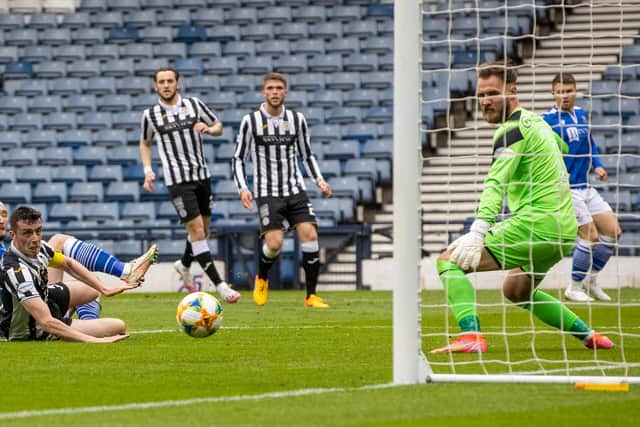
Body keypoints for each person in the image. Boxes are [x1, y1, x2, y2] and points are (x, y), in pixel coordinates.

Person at [431, 61, 614, 354]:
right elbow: (564, 148)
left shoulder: (511, 129)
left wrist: (478, 232)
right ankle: (589, 335)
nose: (485, 101)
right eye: (480, 95)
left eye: (492, 93)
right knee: (516, 291)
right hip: (564, 230)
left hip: (536, 224)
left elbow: (495, 183)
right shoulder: (537, 122)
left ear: (512, 91)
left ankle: (471, 336)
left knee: (448, 261)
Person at [139, 67, 240, 303]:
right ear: (156, 86)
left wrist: (209, 130)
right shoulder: (150, 115)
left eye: (170, 81)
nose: (166, 85)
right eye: (161, 81)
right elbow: (145, 143)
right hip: (177, 181)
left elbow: (218, 126)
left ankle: (184, 264)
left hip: (201, 175)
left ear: (177, 83)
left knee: (202, 232)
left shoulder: (194, 105)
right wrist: (148, 170)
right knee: (196, 231)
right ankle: (221, 285)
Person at [232, 72, 333, 308]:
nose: (274, 92)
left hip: (295, 189)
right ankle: (262, 277)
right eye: (270, 88)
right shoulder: (251, 121)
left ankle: (311, 295)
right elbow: (238, 158)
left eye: (279, 88)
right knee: (275, 243)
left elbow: (306, 154)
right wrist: (243, 188)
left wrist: (318, 179)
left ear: (285, 92)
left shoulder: (297, 119)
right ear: (263, 92)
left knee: (310, 235)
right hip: (268, 191)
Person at [0, 201, 157, 320]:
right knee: (61, 244)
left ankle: (87, 319)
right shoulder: (11, 256)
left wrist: (103, 287)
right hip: (19, 315)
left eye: (4, 214)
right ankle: (124, 271)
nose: (1, 220)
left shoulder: (11, 248)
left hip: (31, 302)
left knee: (90, 282)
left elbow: (68, 264)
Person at [542, 72, 621, 302]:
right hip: (567, 189)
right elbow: (543, 152)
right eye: (559, 91)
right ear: (553, 93)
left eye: (568, 91)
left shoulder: (581, 114)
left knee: (613, 232)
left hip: (586, 186)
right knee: (590, 236)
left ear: (575, 91)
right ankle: (573, 287)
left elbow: (590, 144)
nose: (564, 95)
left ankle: (591, 280)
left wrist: (597, 165)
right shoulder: (547, 120)